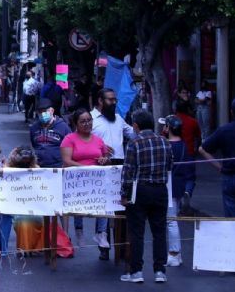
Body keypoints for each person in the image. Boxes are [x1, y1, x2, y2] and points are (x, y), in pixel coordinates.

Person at [120, 110, 173, 284]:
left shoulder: (134, 143)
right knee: (159, 232)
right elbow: (170, 165)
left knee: (137, 232)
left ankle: (136, 271)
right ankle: (160, 271)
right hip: (160, 190)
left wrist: (124, 194)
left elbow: (128, 171)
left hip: (140, 190)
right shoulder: (164, 142)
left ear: (136, 125)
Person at [90, 87, 136, 259]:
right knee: (103, 206)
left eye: (114, 99)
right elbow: (82, 140)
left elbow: (131, 133)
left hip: (120, 165)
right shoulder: (90, 119)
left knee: (120, 207)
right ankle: (103, 246)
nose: (114, 102)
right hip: (100, 165)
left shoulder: (118, 119)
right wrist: (98, 151)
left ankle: (121, 248)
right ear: (100, 101)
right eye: (110, 99)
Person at [60, 108, 111, 248]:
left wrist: (104, 160)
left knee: (102, 205)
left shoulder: (99, 140)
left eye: (89, 120)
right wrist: (85, 169)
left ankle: (101, 233)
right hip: (76, 180)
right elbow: (67, 161)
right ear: (76, 124)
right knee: (78, 206)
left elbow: (106, 158)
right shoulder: (69, 139)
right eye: (83, 121)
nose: (87, 124)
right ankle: (79, 231)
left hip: (96, 180)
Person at [199, 96, 235, 218]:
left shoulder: (224, 130)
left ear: (231, 112)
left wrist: (219, 167)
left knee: (232, 222)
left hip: (229, 178)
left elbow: (202, 149)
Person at [158, 115, 189, 267]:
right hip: (178, 186)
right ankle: (177, 253)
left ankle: (174, 254)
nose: (163, 128)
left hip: (167, 186)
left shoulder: (165, 145)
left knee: (171, 221)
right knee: (172, 219)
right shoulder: (183, 145)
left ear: (169, 128)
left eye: (165, 126)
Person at [30, 98, 71, 169]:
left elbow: (70, 146)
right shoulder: (34, 128)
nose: (42, 114)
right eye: (40, 111)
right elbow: (34, 144)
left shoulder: (63, 127)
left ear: (52, 111)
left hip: (57, 167)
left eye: (45, 111)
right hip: (39, 166)